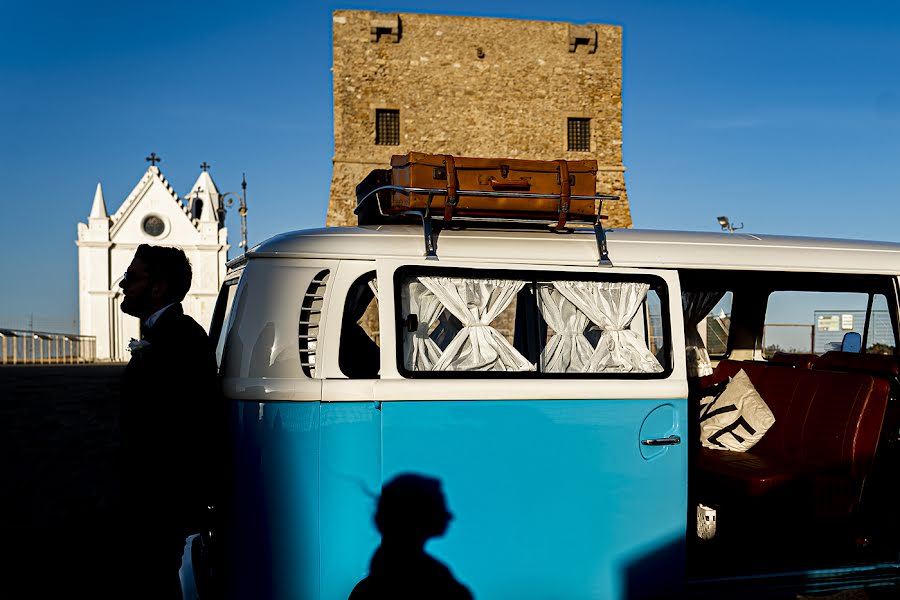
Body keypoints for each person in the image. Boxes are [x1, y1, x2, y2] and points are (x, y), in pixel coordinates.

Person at [118, 244, 219, 599]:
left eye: (131, 277)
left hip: (163, 507)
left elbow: (184, 428)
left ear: (158, 286)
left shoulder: (182, 338)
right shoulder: (162, 334)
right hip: (150, 503)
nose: (123, 284)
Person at [349, 473, 473, 600]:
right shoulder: (439, 584)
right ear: (417, 513)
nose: (449, 515)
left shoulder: (367, 589)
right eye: (439, 506)